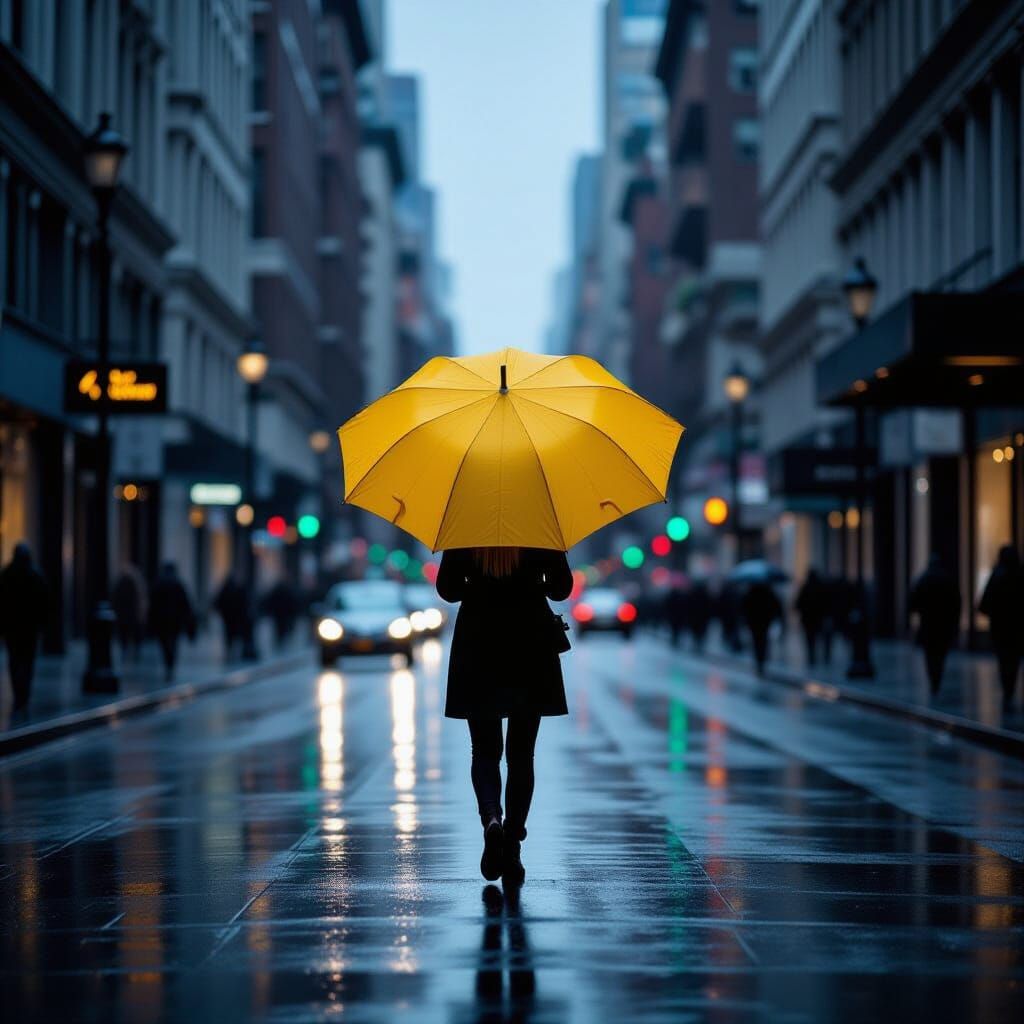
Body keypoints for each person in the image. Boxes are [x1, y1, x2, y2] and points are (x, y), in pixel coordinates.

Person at [436, 546, 572, 886]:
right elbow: (561, 588)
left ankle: (491, 819)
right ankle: (511, 843)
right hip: (530, 641)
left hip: (479, 641)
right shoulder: (539, 527)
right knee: (522, 754)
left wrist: (478, 584)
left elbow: (448, 589)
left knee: (484, 751)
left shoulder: (466, 527)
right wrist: (534, 580)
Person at [0, 543, 48, 711]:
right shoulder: (34, 575)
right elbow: (44, 603)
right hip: (27, 628)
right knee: (26, 661)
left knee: (16, 660)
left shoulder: (7, 574)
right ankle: (23, 694)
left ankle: (19, 693)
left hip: (14, 627)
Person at [979, 546, 1024, 711]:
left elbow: (984, 603)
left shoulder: (997, 575)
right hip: (1017, 628)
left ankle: (1008, 690)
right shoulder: (1020, 575)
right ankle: (1010, 687)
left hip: (1000, 628)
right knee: (1013, 659)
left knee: (1004, 659)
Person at [908, 554, 961, 695]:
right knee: (940, 653)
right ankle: (937, 677)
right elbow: (956, 603)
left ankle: (933, 679)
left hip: (928, 624)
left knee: (930, 654)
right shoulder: (947, 580)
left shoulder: (924, 579)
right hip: (944, 624)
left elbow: (913, 603)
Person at [148, 562, 196, 681]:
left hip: (162, 621)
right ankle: (170, 665)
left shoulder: (158, 584)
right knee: (173, 643)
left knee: (164, 643)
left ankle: (168, 663)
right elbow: (185, 604)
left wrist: (151, 620)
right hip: (175, 621)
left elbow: (152, 604)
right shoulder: (178, 584)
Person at [741, 580, 783, 676]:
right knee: (763, 641)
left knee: (756, 642)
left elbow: (743, 607)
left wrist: (745, 620)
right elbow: (776, 606)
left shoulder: (750, 593)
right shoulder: (769, 593)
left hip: (754, 623)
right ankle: (762, 661)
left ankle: (759, 662)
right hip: (765, 622)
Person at [112, 563, 147, 663]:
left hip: (124, 615)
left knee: (124, 634)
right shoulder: (136, 583)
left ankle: (126, 650)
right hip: (132, 615)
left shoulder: (121, 583)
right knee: (133, 634)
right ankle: (135, 651)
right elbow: (141, 600)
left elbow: (115, 599)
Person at [795, 570, 829, 667]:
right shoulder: (821, 588)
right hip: (818, 618)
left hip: (808, 619)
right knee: (818, 637)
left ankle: (811, 657)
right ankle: (821, 657)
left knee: (809, 639)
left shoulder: (805, 588)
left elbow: (798, 603)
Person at [214, 573, 249, 661]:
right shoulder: (236, 589)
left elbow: (218, 602)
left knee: (229, 635)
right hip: (233, 618)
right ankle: (231, 652)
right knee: (233, 635)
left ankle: (230, 651)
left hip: (229, 618)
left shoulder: (227, 589)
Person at [262, 578, 299, 649]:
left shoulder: (280, 591)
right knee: (282, 627)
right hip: (283, 613)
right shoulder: (288, 591)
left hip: (280, 613)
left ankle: (280, 640)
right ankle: (281, 640)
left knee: (280, 628)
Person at [689, 580, 713, 653]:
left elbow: (689, 607)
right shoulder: (706, 595)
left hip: (696, 618)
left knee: (696, 632)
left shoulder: (693, 594)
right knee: (701, 632)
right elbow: (709, 607)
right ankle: (699, 645)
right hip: (702, 618)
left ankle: (696, 644)